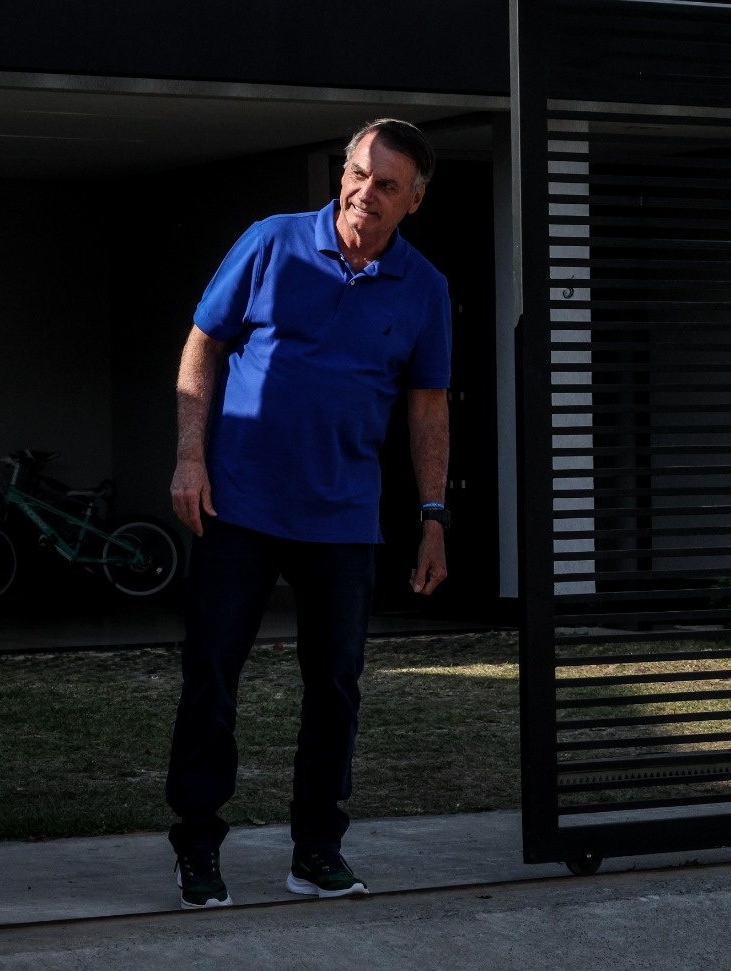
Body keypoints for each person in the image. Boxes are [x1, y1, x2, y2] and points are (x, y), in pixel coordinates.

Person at [165, 118, 452, 910]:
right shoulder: (271, 242)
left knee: (335, 687)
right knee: (212, 674)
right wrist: (190, 456)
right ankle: (197, 844)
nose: (363, 192)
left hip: (344, 516)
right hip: (239, 502)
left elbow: (428, 407)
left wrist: (433, 515)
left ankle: (317, 847)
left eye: (386, 184)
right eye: (356, 172)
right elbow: (202, 341)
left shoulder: (425, 287)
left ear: (414, 200)